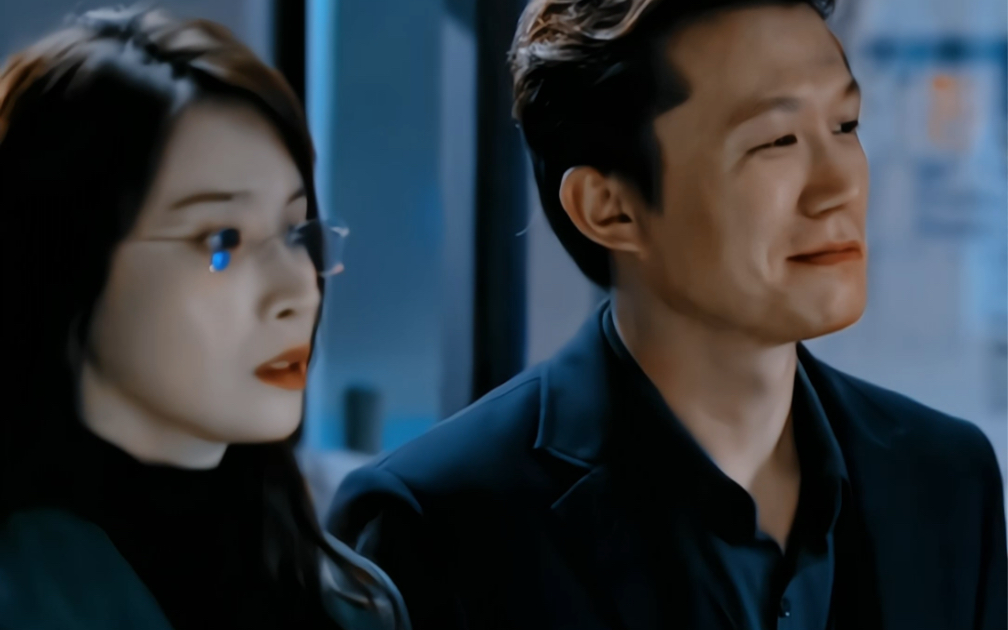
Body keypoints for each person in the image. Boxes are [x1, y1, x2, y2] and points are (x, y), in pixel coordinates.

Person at [327, 1, 1007, 629]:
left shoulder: (947, 479)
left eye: (846, 125)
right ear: (609, 208)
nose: (841, 185)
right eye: (777, 140)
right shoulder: (437, 524)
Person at [0, 7, 409, 630]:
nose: (298, 289)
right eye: (223, 241)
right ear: (62, 260)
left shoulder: (353, 598)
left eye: (295, 231)